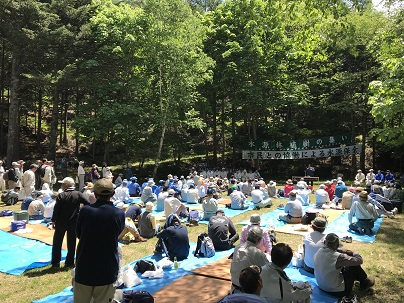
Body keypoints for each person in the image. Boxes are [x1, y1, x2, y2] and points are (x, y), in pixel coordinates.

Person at [74, 178, 125, 303]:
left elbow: (79, 233)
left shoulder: (85, 211)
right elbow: (117, 234)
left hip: (84, 267)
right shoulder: (119, 213)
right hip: (107, 268)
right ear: (112, 195)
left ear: (95, 195)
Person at [314, 233, 375, 297]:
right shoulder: (338, 257)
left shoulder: (319, 251)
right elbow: (359, 260)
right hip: (336, 291)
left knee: (345, 265)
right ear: (337, 245)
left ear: (324, 242)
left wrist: (343, 251)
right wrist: (354, 253)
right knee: (352, 266)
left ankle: (363, 281)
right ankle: (365, 283)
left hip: (321, 286)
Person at [51, 177, 88, 268]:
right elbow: (87, 203)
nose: (61, 185)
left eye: (62, 184)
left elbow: (56, 210)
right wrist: (80, 212)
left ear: (66, 185)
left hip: (61, 222)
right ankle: (69, 262)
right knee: (72, 243)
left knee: (57, 243)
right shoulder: (78, 194)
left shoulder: (61, 195)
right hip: (73, 222)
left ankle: (56, 263)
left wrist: (53, 220)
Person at [230, 226, 269, 293]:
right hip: (248, 292)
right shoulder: (257, 253)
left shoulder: (237, 247)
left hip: (233, 290)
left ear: (247, 236)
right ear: (259, 240)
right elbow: (268, 268)